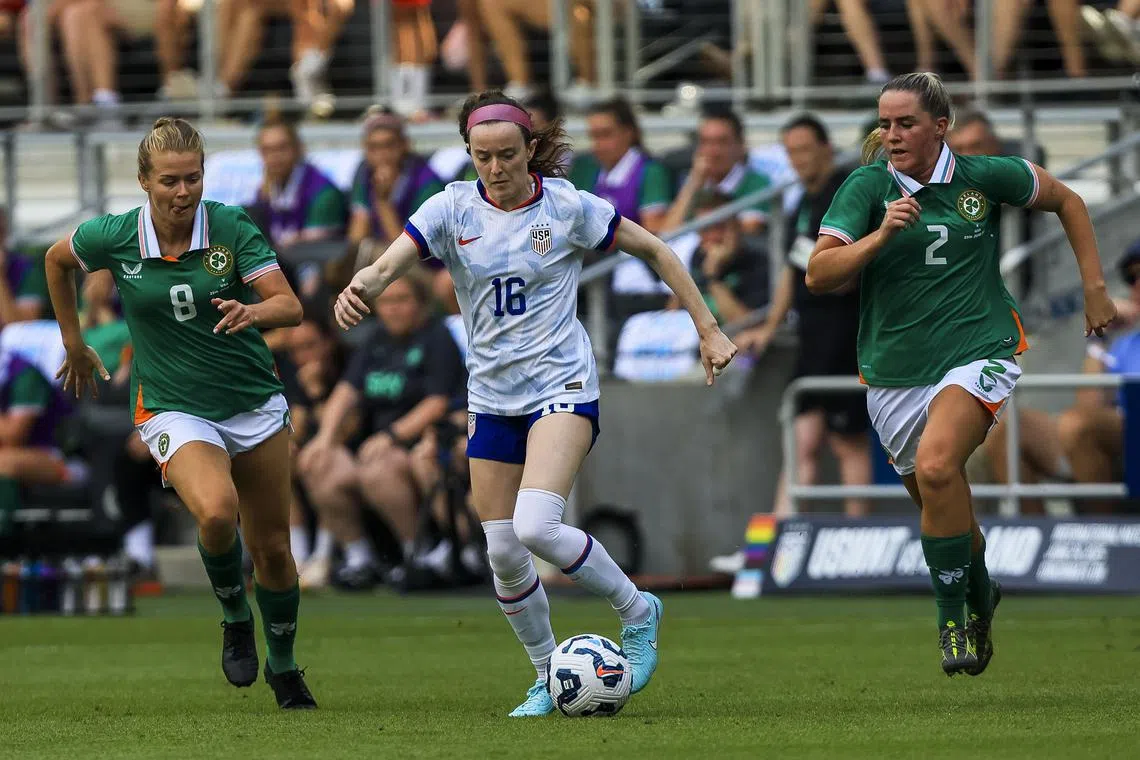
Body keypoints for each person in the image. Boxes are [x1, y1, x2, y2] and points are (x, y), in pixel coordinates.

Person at [333, 90, 737, 716]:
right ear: (469, 153)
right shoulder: (449, 209)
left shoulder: (568, 206)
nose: (496, 168)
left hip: (562, 387)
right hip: (492, 396)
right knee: (501, 549)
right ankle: (550, 674)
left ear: (530, 150)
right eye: (482, 156)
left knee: (534, 525)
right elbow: (389, 264)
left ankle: (638, 610)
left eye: (507, 155)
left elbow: (656, 249)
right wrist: (360, 288)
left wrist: (707, 328)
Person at [806, 73, 1115, 677]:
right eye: (885, 124)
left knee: (940, 466)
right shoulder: (866, 188)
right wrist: (879, 234)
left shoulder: (982, 176)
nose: (892, 135)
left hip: (980, 347)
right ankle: (980, 590)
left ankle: (952, 622)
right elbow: (819, 275)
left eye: (906, 124)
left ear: (939, 127)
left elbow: (1068, 201)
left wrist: (1095, 288)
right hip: (895, 371)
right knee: (943, 505)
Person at [43, 117, 315, 709]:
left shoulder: (229, 225)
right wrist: (73, 341)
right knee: (218, 512)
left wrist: (253, 312)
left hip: (251, 400)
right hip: (172, 404)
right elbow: (56, 260)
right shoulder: (116, 235)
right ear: (144, 181)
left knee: (272, 549)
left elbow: (289, 306)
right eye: (169, 180)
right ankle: (234, 615)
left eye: (192, 178)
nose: (183, 192)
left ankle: (286, 666)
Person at [736, 114, 871, 519]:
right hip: (812, 337)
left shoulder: (847, 193)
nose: (797, 160)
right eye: (790, 152)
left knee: (848, 442)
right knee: (802, 440)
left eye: (804, 150)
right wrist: (769, 327)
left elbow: (850, 270)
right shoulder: (804, 202)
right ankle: (781, 539)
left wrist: (827, 274)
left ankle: (857, 539)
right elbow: (793, 272)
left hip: (846, 333)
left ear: (827, 148)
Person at [297, 273, 465, 589]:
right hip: (372, 447)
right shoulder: (375, 340)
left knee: (379, 470)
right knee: (318, 463)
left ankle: (417, 552)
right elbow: (346, 393)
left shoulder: (437, 338)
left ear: (421, 303)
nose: (393, 309)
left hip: (420, 444)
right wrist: (324, 439)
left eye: (402, 300)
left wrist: (391, 437)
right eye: (386, 302)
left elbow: (437, 402)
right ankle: (359, 557)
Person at [249, 113, 348, 302]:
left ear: (298, 149)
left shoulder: (323, 193)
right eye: (267, 150)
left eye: (281, 148)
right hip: (284, 269)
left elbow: (313, 251)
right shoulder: (268, 189)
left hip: (318, 274)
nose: (274, 157)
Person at [663, 107, 771, 236]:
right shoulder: (691, 183)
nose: (712, 151)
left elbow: (749, 231)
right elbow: (667, 236)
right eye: (705, 142)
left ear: (740, 145)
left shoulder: (757, 183)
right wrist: (693, 184)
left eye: (722, 142)